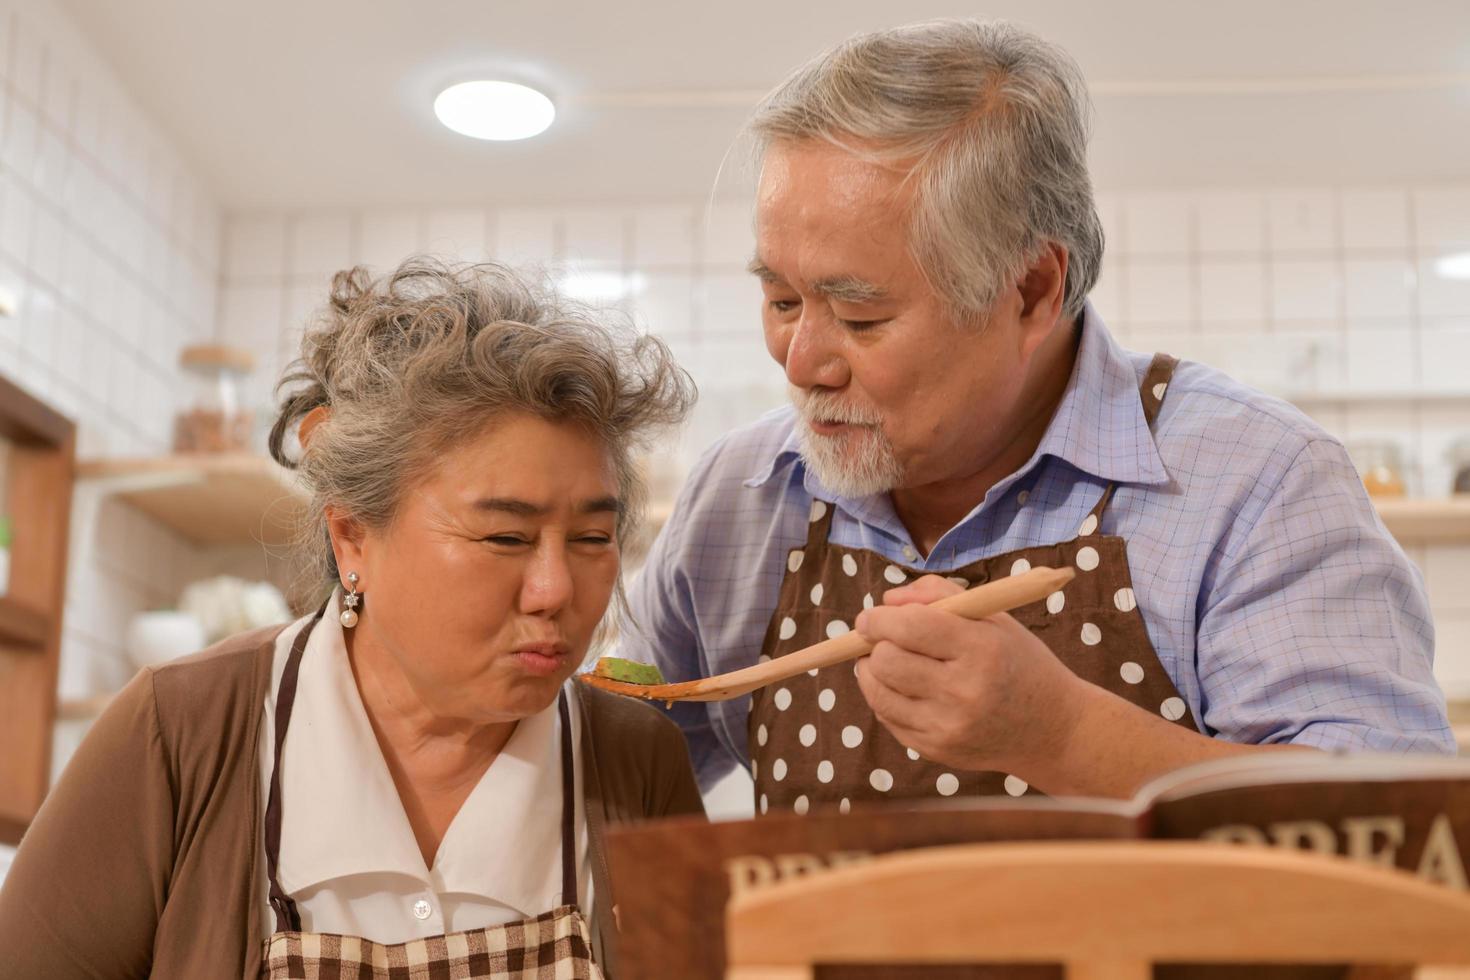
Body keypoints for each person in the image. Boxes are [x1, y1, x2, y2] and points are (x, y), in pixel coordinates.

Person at [621, 19, 1453, 818]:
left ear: (1030, 291)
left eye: (861, 316)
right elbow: (622, 720)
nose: (801, 363)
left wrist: (1068, 735)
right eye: (780, 300)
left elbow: (1401, 836)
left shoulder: (1258, 481)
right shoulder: (741, 495)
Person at [0, 259, 702, 978]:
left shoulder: (634, 761)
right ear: (353, 536)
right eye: (505, 538)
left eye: (591, 538)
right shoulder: (181, 736)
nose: (554, 589)